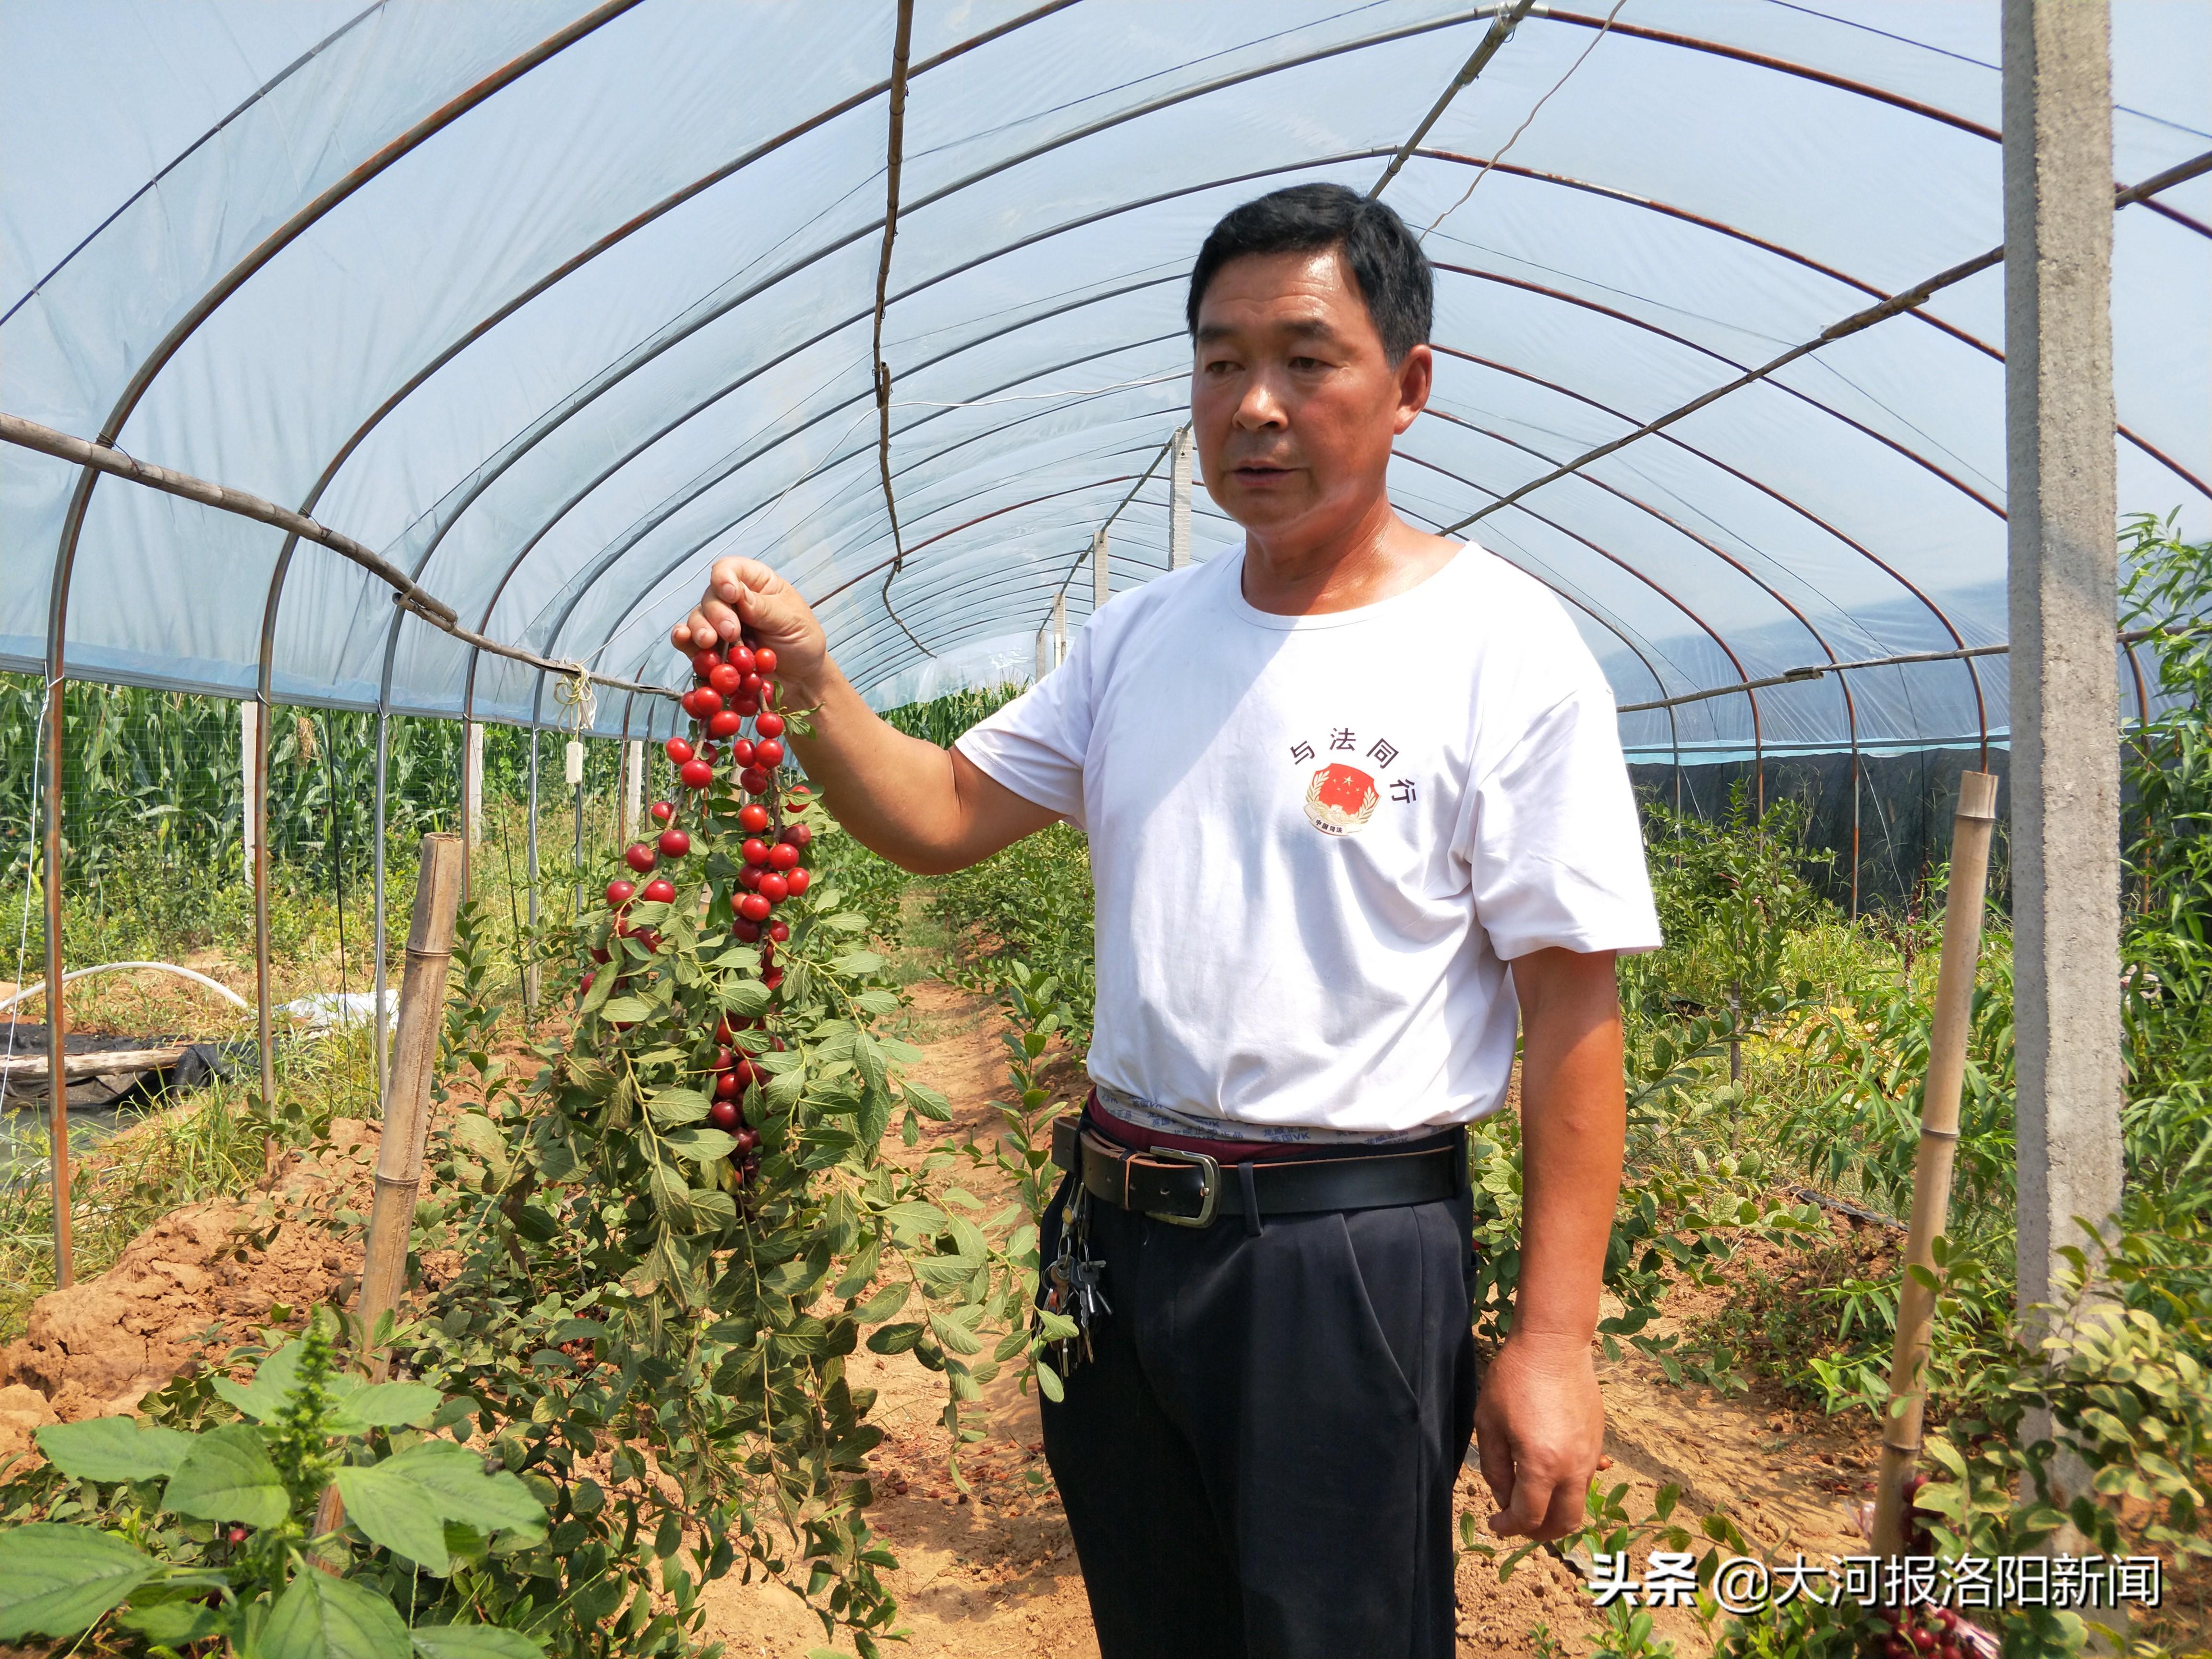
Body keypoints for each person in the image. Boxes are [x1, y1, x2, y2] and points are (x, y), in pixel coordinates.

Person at [672, 182, 1660, 1659]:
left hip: (1346, 1256)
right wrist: (811, 687)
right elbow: (939, 814)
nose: (1254, 405)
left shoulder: (1499, 648)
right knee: (1159, 1626)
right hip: (1118, 1244)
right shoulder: (1140, 640)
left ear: (1409, 388)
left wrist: (1555, 1341)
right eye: (1217, 362)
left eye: (1305, 359)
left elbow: (1572, 1008)